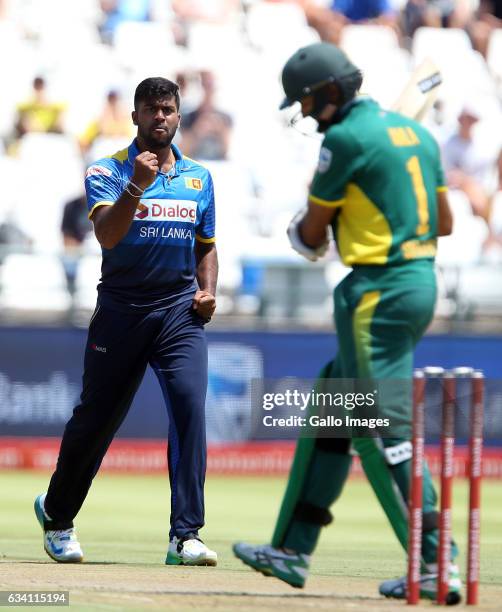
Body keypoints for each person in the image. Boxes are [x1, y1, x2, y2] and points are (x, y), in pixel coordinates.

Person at [233, 43, 459, 603]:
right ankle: (291, 548)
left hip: (377, 293)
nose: (306, 114)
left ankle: (438, 560)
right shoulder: (420, 138)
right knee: (331, 412)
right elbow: (446, 220)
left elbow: (312, 234)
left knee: (382, 429)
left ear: (331, 93)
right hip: (418, 282)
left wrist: (301, 233)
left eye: (308, 101)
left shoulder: (347, 138)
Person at [34, 77, 218, 567]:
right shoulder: (107, 170)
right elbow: (108, 237)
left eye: (169, 110)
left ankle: (186, 536)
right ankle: (57, 517)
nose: (161, 117)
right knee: (97, 421)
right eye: (152, 109)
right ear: (135, 116)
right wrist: (137, 184)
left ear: (179, 116)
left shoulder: (199, 177)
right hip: (121, 312)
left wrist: (207, 291)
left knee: (189, 411)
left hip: (179, 313)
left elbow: (207, 246)